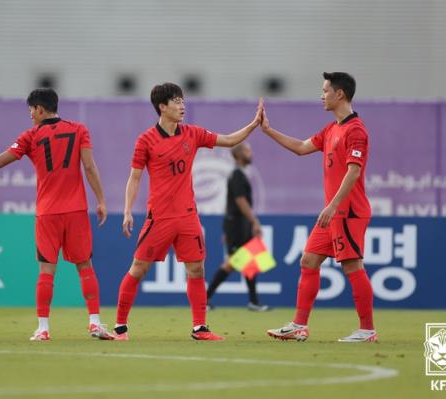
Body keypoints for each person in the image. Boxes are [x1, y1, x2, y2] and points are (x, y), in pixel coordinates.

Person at [0, 88, 114, 341]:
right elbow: (89, 166)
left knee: (46, 270)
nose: (30, 115)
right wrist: (101, 200)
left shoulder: (31, 136)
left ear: (40, 109)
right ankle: (95, 323)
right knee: (85, 266)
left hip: (47, 212)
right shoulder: (79, 129)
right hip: (76, 209)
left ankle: (43, 328)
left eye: (31, 110)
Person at [114, 82, 264, 341]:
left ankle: (199, 327)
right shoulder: (145, 140)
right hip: (159, 216)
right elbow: (135, 178)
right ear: (162, 107)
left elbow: (227, 140)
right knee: (138, 268)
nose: (182, 105)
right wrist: (128, 210)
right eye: (176, 101)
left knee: (197, 269)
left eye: (183, 100)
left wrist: (252, 125)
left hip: (187, 216)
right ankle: (120, 328)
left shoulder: (192, 134)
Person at [262, 72, 377, 343]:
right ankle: (299, 326)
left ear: (340, 94)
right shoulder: (331, 129)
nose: (321, 95)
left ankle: (367, 330)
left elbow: (353, 172)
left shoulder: (356, 129)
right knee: (308, 260)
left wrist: (333, 205)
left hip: (348, 211)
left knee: (352, 265)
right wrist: (268, 130)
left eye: (325, 90)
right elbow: (302, 147)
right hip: (333, 213)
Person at [206, 142, 271, 312]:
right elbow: (240, 201)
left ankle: (254, 302)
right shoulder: (236, 175)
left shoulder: (241, 174)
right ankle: (203, 300)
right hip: (236, 225)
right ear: (239, 154)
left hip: (239, 225)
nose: (251, 153)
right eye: (248, 150)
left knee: (250, 261)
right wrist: (254, 221)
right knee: (232, 264)